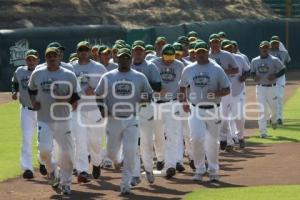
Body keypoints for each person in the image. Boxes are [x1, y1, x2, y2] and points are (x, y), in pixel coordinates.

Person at [94, 47, 153, 195]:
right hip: (113, 119)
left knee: (130, 150)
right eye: (121, 57)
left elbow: (149, 94)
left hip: (131, 118)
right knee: (111, 152)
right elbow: (98, 94)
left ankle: (125, 183)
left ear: (131, 59)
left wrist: (143, 99)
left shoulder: (140, 77)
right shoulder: (108, 76)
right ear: (117, 59)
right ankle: (117, 161)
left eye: (127, 58)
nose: (124, 60)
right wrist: (102, 109)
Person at [28, 47, 80, 195]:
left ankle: (66, 183)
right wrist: (34, 101)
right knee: (44, 151)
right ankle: (52, 171)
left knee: (67, 154)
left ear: (59, 58)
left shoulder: (68, 75)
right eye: (48, 56)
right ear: (45, 58)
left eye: (54, 56)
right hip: (44, 119)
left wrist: (66, 99)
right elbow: (31, 90)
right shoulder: (38, 73)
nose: (51, 58)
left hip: (63, 120)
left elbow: (76, 98)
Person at [179, 41, 230, 182]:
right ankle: (200, 169)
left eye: (203, 51)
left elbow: (227, 89)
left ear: (207, 52)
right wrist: (184, 101)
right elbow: (182, 86)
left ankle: (213, 170)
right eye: (198, 52)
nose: (201, 54)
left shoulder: (216, 69)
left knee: (213, 142)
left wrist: (217, 93)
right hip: (195, 109)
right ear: (194, 53)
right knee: (196, 138)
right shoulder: (188, 69)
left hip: (213, 109)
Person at [71, 41, 107, 183]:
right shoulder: (71, 68)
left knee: (96, 142)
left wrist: (97, 92)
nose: (84, 52)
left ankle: (97, 163)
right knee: (80, 140)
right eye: (81, 50)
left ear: (91, 51)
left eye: (86, 50)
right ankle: (83, 171)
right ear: (77, 52)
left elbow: (108, 87)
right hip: (77, 110)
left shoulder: (99, 68)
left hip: (95, 110)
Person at [130, 40, 162, 185]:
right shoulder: (126, 67)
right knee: (133, 143)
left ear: (144, 52)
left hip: (146, 107)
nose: (137, 52)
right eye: (135, 50)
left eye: (140, 50)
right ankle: (135, 174)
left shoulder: (150, 66)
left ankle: (148, 169)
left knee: (146, 142)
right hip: (130, 109)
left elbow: (158, 85)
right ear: (132, 52)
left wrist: (141, 82)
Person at [151, 44, 184, 178]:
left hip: (173, 103)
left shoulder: (179, 65)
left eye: (172, 56)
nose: (169, 60)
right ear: (161, 54)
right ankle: (160, 158)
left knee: (173, 134)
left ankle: (171, 164)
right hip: (157, 103)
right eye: (167, 56)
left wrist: (184, 96)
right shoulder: (153, 64)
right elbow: (146, 80)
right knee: (157, 135)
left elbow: (184, 82)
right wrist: (156, 88)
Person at [11, 49, 39, 179]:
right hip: (26, 110)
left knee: (43, 139)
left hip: (42, 111)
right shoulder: (20, 71)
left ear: (38, 60)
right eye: (29, 59)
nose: (31, 61)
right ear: (26, 60)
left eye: (33, 59)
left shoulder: (42, 72)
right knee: (27, 139)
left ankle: (43, 162)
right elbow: (15, 81)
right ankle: (27, 168)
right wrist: (14, 92)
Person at [208, 33, 239, 152]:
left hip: (225, 86)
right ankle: (217, 140)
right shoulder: (206, 54)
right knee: (213, 114)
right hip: (211, 88)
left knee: (225, 116)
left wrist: (224, 70)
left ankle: (224, 138)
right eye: (213, 42)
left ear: (220, 43)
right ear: (210, 43)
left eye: (217, 42)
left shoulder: (227, 55)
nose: (215, 44)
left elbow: (236, 70)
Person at [250, 41, 285, 138]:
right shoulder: (255, 60)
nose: (264, 49)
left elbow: (283, 69)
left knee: (274, 109)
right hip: (260, 87)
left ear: (269, 49)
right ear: (260, 49)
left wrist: (276, 75)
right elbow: (252, 72)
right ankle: (263, 132)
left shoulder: (274, 60)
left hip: (272, 87)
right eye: (263, 48)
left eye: (266, 47)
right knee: (262, 110)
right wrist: (254, 77)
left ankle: (273, 120)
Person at [221, 40, 250, 148]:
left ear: (234, 48)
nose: (229, 49)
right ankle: (229, 141)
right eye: (226, 48)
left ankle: (240, 136)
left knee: (239, 117)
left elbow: (248, 70)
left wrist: (244, 76)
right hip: (224, 93)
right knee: (224, 118)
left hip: (238, 92)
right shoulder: (219, 60)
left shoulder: (240, 58)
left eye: (230, 47)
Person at [269, 36, 291, 125]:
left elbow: (287, 63)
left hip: (280, 78)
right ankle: (272, 116)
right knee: (270, 98)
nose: (275, 44)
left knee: (279, 97)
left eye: (276, 42)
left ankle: (279, 118)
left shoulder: (284, 52)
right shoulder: (268, 51)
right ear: (270, 43)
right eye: (273, 42)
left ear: (279, 43)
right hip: (269, 77)